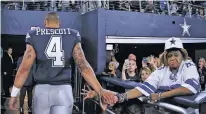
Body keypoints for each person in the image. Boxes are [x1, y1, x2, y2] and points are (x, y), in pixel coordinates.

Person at [9, 12, 116, 114]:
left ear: (45, 22)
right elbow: (84, 67)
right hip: (64, 90)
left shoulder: (34, 35)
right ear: (59, 24)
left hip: (42, 89)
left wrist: (14, 95)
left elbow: (24, 69)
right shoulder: (72, 34)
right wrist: (100, 90)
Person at [115, 37, 200, 104]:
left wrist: (160, 95)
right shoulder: (162, 70)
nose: (173, 58)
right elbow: (143, 88)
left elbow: (190, 87)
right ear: (166, 58)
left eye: (176, 55)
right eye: (169, 56)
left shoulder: (188, 65)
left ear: (182, 56)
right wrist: (120, 97)